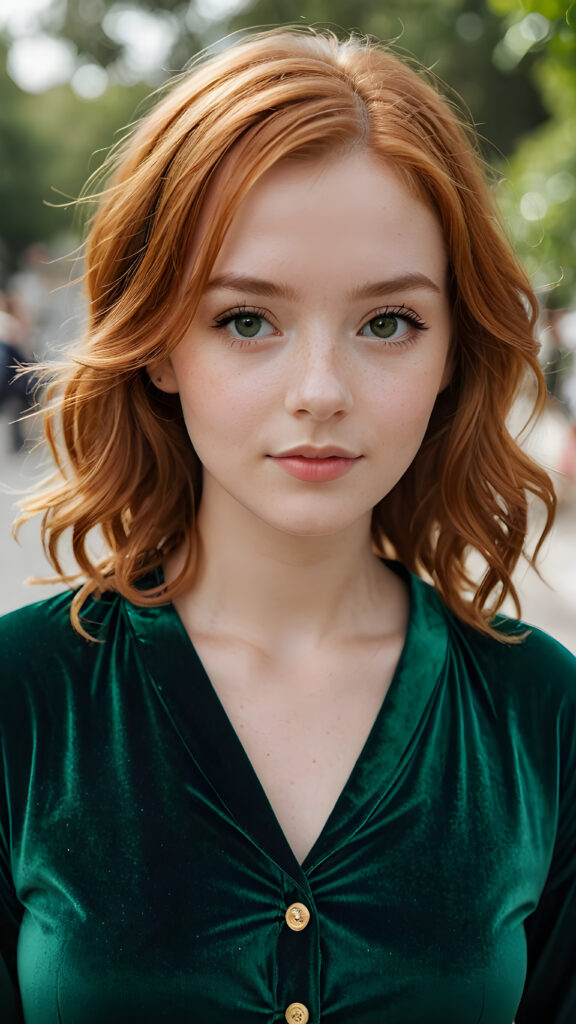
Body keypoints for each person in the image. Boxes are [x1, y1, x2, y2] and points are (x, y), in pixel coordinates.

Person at [0, 26, 574, 1024]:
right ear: (160, 343)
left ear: (451, 356)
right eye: (247, 319)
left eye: (386, 322)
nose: (320, 391)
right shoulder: (23, 698)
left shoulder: (543, 715)